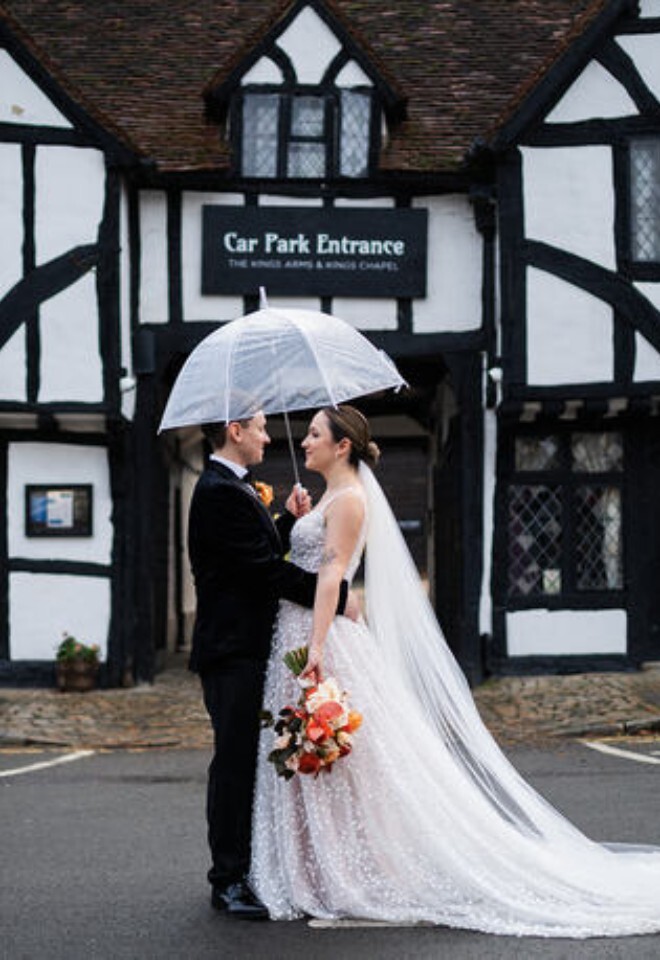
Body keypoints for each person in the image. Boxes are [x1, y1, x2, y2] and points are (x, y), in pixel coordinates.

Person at [251, 404, 660, 938]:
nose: (304, 442)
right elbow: (305, 562)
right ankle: (317, 868)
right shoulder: (326, 496)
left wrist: (318, 645)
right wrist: (295, 515)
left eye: (313, 435)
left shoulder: (350, 499)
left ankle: (347, 871)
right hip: (296, 635)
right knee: (319, 756)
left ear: (342, 445)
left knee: (342, 759)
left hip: (320, 639)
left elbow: (331, 577)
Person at [188, 412, 351, 919]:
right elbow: (262, 572)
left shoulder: (231, 488)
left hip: (247, 645)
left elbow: (255, 549)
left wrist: (282, 520)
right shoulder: (218, 491)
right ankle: (228, 880)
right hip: (233, 648)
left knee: (249, 761)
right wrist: (335, 595)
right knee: (234, 764)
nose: (267, 437)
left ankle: (248, 868)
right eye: (260, 428)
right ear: (234, 431)